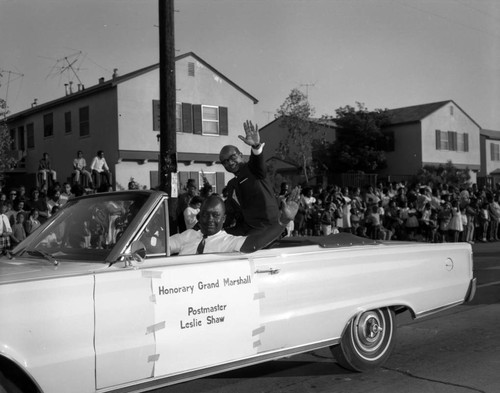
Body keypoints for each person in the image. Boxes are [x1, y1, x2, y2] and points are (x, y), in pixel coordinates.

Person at [169, 187, 300, 255]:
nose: (210, 219)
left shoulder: (228, 241)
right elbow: (164, 245)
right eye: (205, 214)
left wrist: (283, 221)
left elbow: (254, 243)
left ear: (224, 219)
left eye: (215, 215)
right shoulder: (188, 235)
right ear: (199, 216)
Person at [219, 120, 280, 236]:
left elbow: (257, 160)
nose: (230, 162)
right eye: (225, 162)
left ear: (241, 155)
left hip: (267, 228)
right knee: (217, 237)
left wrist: (256, 146)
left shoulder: (253, 169)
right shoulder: (231, 184)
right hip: (247, 229)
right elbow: (229, 211)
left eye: (233, 157)